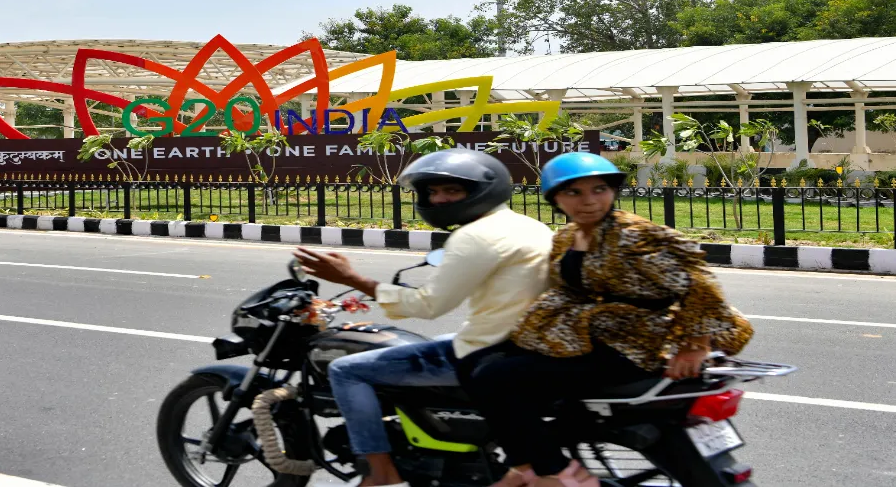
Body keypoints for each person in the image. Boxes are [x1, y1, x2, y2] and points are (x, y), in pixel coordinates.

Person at [455, 152, 755, 487]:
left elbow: (699, 282)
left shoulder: (633, 235)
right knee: (474, 361)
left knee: (496, 376)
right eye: (574, 193)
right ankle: (525, 461)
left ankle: (555, 471)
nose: (589, 201)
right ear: (555, 198)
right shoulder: (569, 237)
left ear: (613, 191)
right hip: (593, 334)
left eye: (599, 189)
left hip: (638, 342)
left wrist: (696, 345)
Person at [295, 149, 554, 487]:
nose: (440, 199)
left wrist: (351, 279)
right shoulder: (526, 224)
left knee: (345, 370)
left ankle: (379, 470)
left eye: (452, 190)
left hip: (491, 349)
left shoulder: (474, 236)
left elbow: (427, 305)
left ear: (481, 190)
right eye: (433, 192)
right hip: (528, 341)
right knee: (438, 343)